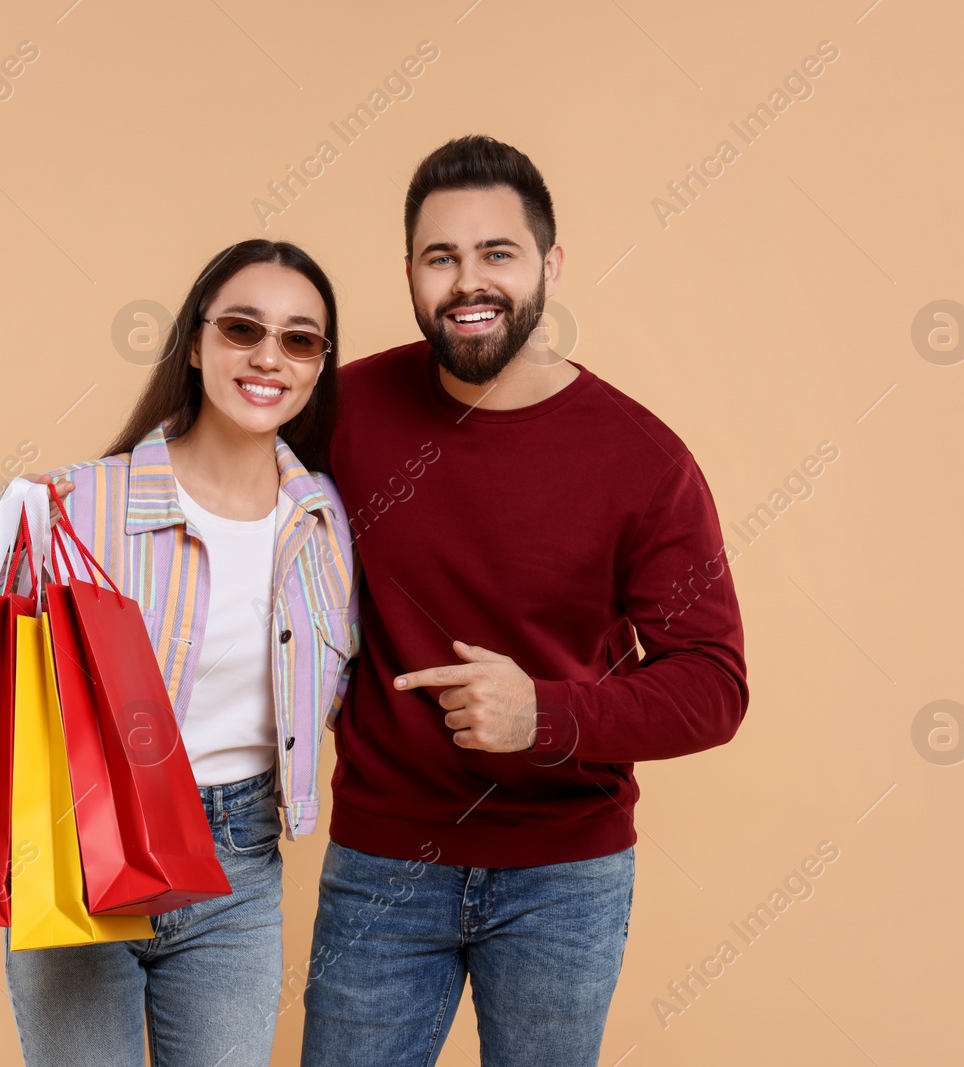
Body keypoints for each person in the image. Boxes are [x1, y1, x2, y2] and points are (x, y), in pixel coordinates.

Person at [299, 136, 750, 1066]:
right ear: (413, 275)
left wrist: (545, 711)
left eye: (496, 253)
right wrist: (33, 521)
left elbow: (714, 686)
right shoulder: (346, 410)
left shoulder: (644, 462)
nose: (470, 282)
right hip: (383, 862)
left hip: (567, 874)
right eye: (442, 257)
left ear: (548, 265)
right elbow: (207, 470)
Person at [0, 239, 358, 1067]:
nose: (267, 357)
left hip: (237, 870)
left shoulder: (320, 524)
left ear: (321, 363)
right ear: (197, 342)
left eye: (299, 338)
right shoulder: (83, 502)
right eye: (242, 328)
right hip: (80, 850)